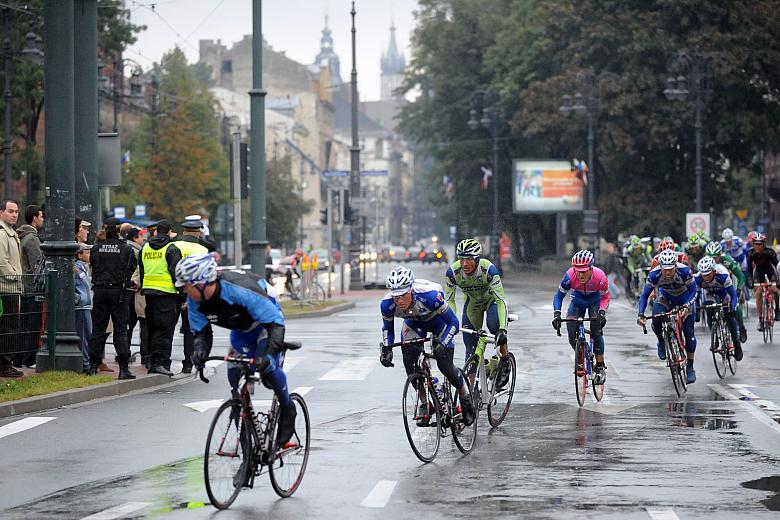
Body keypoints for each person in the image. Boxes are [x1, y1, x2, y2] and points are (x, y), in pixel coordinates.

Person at [177, 253, 298, 447]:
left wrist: (268, 354)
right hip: (240, 332)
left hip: (265, 327)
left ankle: (287, 408)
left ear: (201, 282)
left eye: (185, 285)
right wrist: (200, 352)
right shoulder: (195, 301)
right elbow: (201, 332)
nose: (183, 290)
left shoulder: (238, 290)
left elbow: (275, 323)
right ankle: (247, 452)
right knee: (236, 386)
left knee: (268, 371)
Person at [378, 266, 474, 426]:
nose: (399, 301)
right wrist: (387, 349)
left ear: (411, 291)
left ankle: (466, 398)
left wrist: (443, 343)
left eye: (403, 296)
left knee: (445, 366)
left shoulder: (429, 296)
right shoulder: (387, 304)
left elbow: (453, 323)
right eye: (396, 297)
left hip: (440, 323)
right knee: (410, 365)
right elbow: (387, 328)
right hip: (414, 325)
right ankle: (425, 403)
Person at [444, 238, 510, 386]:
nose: (464, 263)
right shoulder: (453, 273)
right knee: (470, 347)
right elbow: (449, 301)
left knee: (494, 327)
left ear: (477, 259)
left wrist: (502, 329)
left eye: (468, 259)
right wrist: (450, 322)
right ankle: (470, 391)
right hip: (473, 304)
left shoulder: (489, 270)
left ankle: (505, 361)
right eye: (461, 259)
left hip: (491, 301)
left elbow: (501, 300)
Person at [637, 248, 699, 384]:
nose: (668, 272)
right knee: (656, 317)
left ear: (676, 266)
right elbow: (644, 295)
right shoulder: (654, 275)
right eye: (665, 269)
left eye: (671, 269)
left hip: (684, 298)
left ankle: (690, 366)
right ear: (660, 267)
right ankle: (661, 340)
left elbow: (694, 291)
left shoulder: (684, 271)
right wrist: (640, 314)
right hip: (666, 297)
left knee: (689, 333)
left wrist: (687, 305)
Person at [87, 218, 137, 379]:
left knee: (98, 330)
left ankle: (93, 366)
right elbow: (131, 268)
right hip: (119, 292)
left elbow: (93, 265)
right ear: (118, 230)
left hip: (100, 291)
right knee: (120, 330)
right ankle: (124, 368)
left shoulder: (96, 248)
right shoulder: (127, 249)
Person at [552, 250, 610, 384]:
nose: (580, 274)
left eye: (584, 271)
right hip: (577, 302)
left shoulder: (600, 277)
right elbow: (558, 296)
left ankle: (600, 365)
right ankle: (581, 354)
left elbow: (605, 297)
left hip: (595, 302)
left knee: (596, 331)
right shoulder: (569, 277)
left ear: (591, 268)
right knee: (571, 332)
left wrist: (602, 312)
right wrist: (557, 314)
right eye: (577, 270)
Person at [139, 219, 182, 376]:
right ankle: (161, 363)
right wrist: (183, 297)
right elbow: (177, 274)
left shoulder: (145, 248)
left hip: (149, 294)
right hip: (167, 294)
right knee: (164, 331)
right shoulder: (171, 248)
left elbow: (142, 271)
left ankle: (151, 361)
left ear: (156, 231)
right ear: (169, 232)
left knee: (151, 328)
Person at [174, 219, 209, 373]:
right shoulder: (202, 250)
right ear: (198, 233)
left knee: (165, 330)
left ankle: (161, 363)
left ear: (184, 231)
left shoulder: (173, 245)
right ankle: (188, 363)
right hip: (193, 294)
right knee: (190, 330)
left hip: (172, 291)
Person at [694, 256, 743, 361]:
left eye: (708, 274)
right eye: (704, 275)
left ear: (713, 271)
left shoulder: (723, 276)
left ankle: (737, 344)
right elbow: (696, 296)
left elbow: (733, 295)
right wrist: (697, 309)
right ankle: (715, 337)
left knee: (728, 315)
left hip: (723, 291)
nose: (706, 277)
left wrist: (733, 308)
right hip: (709, 292)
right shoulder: (698, 279)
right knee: (708, 309)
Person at [705, 241, 747, 342]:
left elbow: (741, 277)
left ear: (720, 255)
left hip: (730, 283)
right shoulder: (706, 263)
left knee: (734, 307)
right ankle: (714, 335)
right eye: (710, 258)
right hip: (714, 286)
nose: (713, 261)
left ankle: (741, 328)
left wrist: (739, 289)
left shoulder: (727, 261)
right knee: (709, 307)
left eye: (715, 258)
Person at [0, 199, 23, 377]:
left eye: (16, 211)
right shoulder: (2, 233)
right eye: (10, 211)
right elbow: (2, 262)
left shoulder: (11, 232)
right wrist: (16, 277)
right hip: (7, 287)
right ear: (1, 212)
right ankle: (4, 365)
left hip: (12, 287)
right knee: (9, 328)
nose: (14, 214)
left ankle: (6, 364)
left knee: (11, 327)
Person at [747, 233, 780, 330]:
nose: (757, 246)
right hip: (758, 271)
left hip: (770, 270)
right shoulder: (750, 253)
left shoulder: (770, 252)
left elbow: (777, 266)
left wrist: (777, 283)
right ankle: (761, 319)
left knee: (774, 289)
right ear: (753, 244)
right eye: (755, 244)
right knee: (758, 292)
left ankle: (777, 309)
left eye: (760, 244)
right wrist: (750, 281)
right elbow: (749, 270)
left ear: (764, 244)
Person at [75, 244, 93, 373]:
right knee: (83, 335)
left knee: (87, 334)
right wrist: (78, 299)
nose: (89, 255)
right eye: (86, 253)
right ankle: (84, 364)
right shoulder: (76, 268)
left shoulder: (84, 268)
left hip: (86, 305)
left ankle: (86, 362)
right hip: (81, 306)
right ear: (79, 255)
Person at [17, 205, 44, 274]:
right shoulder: (32, 239)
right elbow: (37, 266)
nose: (43, 219)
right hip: (31, 282)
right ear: (35, 218)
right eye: (41, 217)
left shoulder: (24, 235)